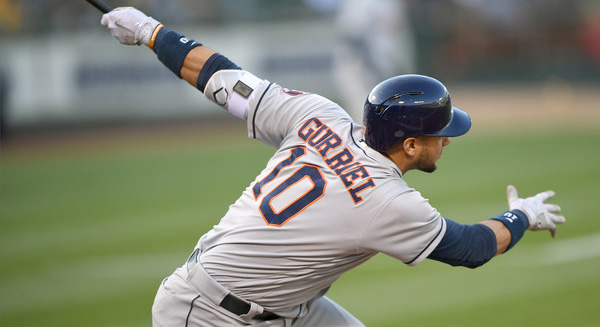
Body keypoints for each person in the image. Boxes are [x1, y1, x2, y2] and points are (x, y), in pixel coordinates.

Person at [100, 7, 565, 327]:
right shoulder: (390, 203)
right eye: (438, 134)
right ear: (408, 144)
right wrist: (520, 215)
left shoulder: (316, 115)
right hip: (205, 313)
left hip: (292, 308)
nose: (446, 139)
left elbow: (219, 78)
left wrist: (151, 31)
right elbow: (470, 247)